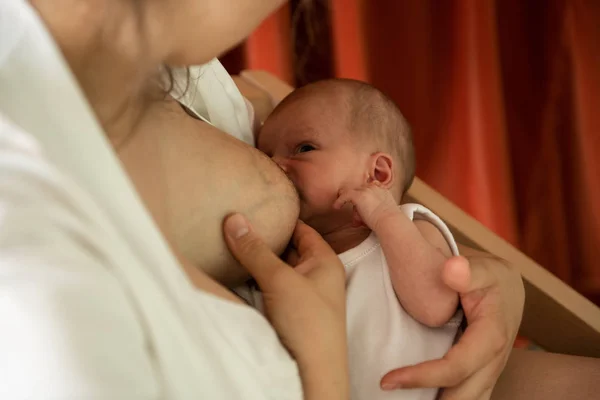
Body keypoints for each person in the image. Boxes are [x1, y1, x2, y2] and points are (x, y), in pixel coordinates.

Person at [4, 0, 592, 400]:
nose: (277, 160)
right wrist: (323, 366)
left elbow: (435, 296)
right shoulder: (50, 281)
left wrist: (498, 282)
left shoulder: (191, 78)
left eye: (302, 149)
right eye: (274, 151)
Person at [255, 78, 462, 399]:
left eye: (304, 148)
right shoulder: (287, 254)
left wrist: (384, 216)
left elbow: (437, 305)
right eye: (265, 155)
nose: (276, 165)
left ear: (377, 174)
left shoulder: (411, 225)